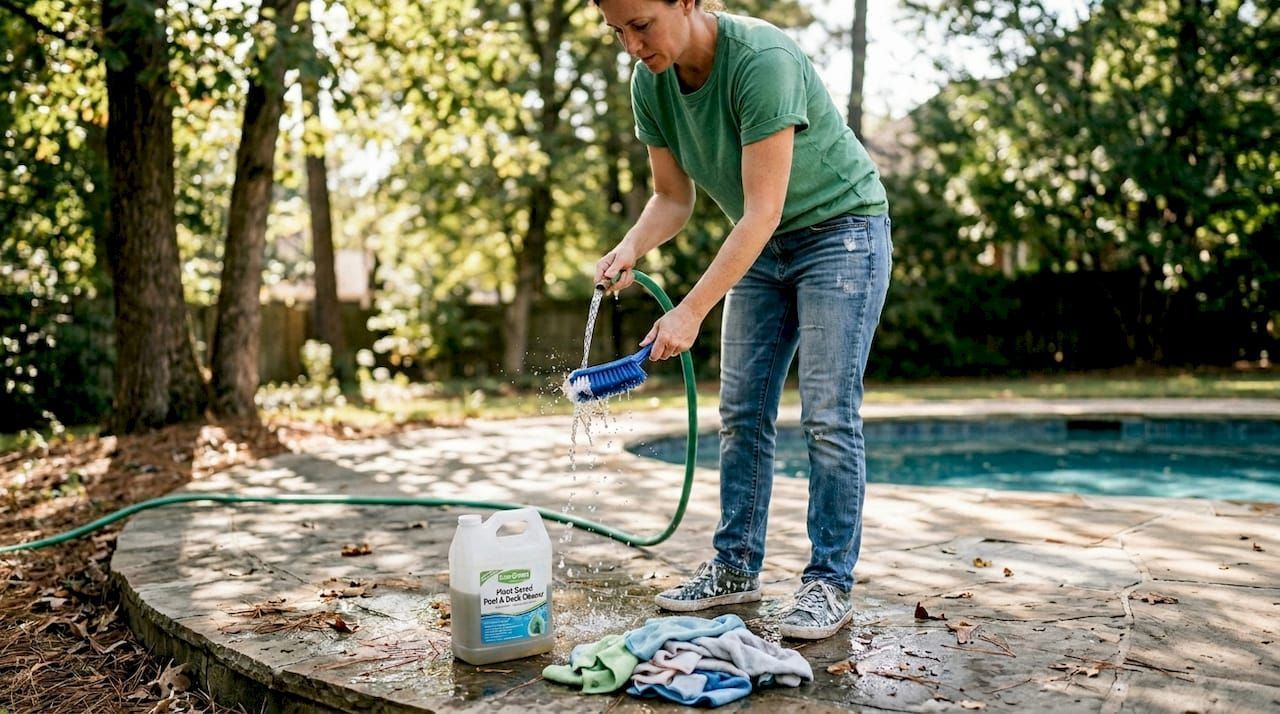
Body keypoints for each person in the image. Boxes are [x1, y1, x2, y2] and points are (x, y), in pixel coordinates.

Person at [591, 0, 892, 640]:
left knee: (827, 413)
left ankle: (828, 583)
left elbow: (761, 210)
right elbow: (672, 197)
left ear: (686, 1)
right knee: (741, 412)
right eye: (617, 32)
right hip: (762, 246)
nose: (632, 46)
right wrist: (630, 247)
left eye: (641, 25)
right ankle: (734, 567)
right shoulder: (650, 82)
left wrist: (690, 310)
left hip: (840, 233)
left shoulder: (761, 59)